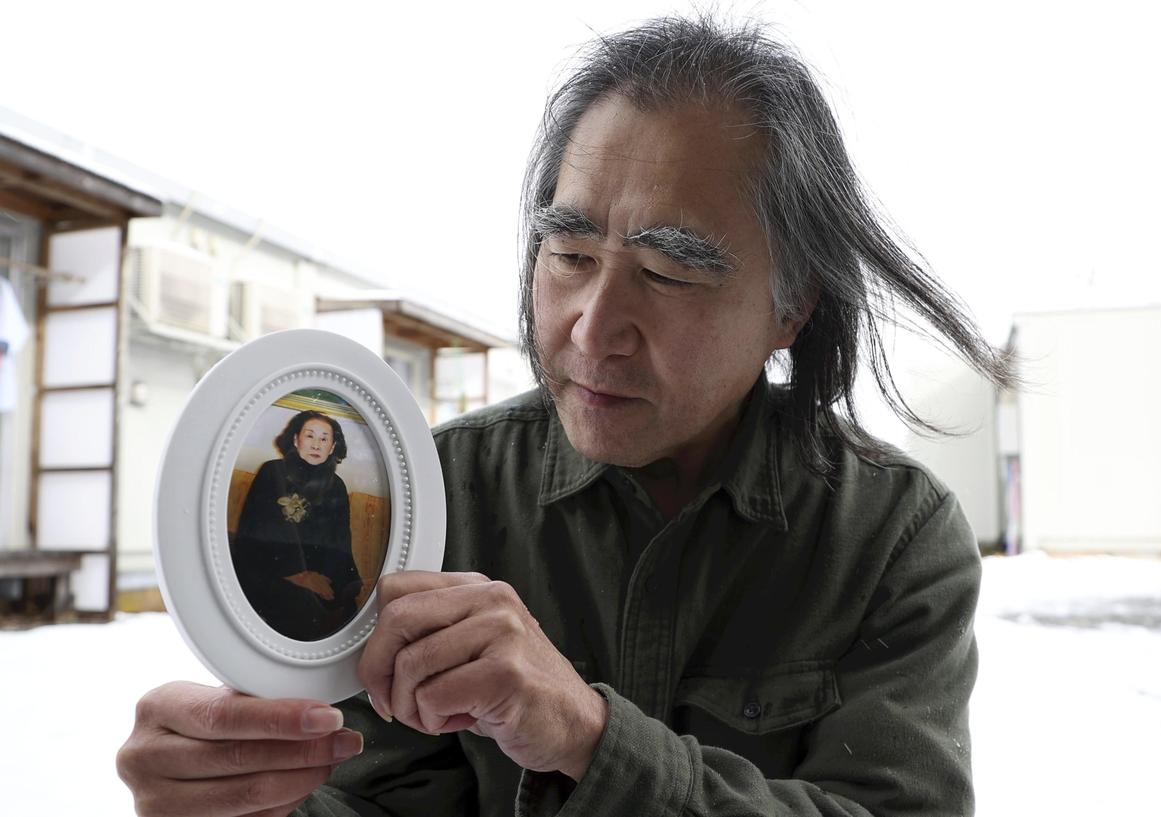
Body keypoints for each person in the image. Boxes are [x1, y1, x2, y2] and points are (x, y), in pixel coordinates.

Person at [117, 16, 1014, 817]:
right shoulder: (431, 497)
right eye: (570, 253)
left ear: (793, 305)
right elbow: (378, 797)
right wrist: (249, 803)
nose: (592, 328)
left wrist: (587, 736)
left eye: (667, 272)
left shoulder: (889, 538)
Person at [230, 410, 363, 641]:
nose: (316, 444)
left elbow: (340, 541)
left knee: (346, 609)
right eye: (310, 436)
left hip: (320, 576)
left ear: (332, 447)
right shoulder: (272, 472)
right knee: (300, 606)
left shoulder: (337, 486)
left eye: (324, 439)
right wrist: (300, 576)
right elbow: (256, 533)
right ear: (295, 440)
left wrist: (333, 579)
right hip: (269, 570)